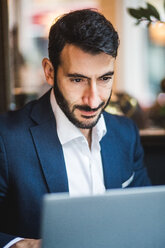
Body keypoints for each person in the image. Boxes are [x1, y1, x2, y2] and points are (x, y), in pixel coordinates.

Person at [0, 9, 151, 248]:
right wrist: (19, 245)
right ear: (49, 71)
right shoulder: (6, 139)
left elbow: (147, 220)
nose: (93, 100)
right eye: (77, 80)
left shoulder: (125, 134)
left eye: (104, 78)